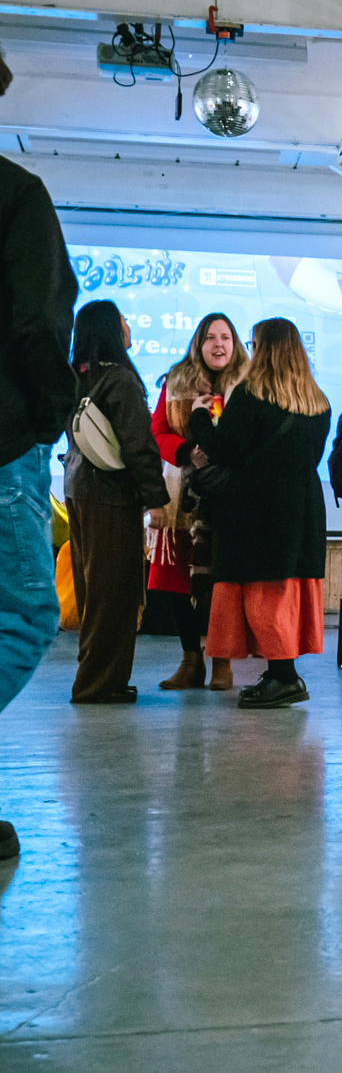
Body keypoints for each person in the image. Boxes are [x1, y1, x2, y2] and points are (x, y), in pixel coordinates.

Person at [0, 63, 79, 855]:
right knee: (24, 617)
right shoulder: (16, 196)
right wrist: (54, 413)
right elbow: (34, 322)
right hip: (1, 444)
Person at [189, 318, 331, 707]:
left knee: (261, 598)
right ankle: (279, 672)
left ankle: (284, 676)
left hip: (256, 512)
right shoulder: (318, 402)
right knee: (283, 595)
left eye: (251, 344)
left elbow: (224, 451)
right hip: (302, 510)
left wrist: (199, 417)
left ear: (263, 349)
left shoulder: (250, 396)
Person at [64, 301, 171, 704]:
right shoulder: (121, 380)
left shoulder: (78, 376)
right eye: (124, 319)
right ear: (112, 329)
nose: (129, 325)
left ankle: (99, 678)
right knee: (115, 593)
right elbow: (139, 446)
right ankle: (97, 685)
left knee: (94, 591)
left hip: (79, 490)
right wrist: (156, 499)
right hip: (110, 497)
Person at [150, 313, 249, 692]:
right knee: (177, 584)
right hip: (180, 498)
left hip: (229, 498)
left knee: (221, 583)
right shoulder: (176, 380)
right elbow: (158, 429)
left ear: (235, 343)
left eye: (226, 336)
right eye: (210, 337)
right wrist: (184, 450)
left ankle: (221, 660)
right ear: (198, 343)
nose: (218, 344)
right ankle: (191, 661)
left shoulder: (249, 383)